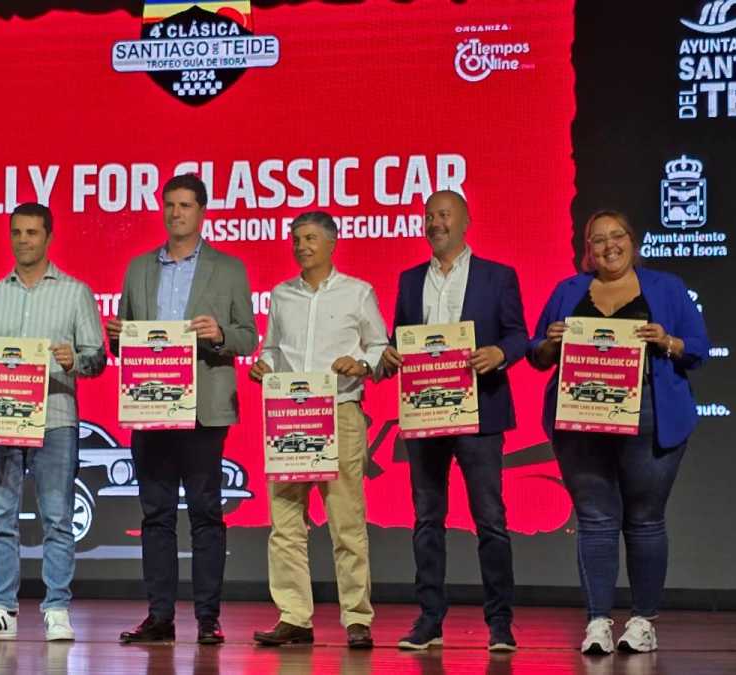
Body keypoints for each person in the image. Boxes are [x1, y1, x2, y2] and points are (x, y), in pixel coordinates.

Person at [527, 209, 709, 655]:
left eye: (617, 236)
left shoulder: (666, 287)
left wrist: (666, 341)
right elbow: (537, 353)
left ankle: (643, 622)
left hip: (650, 415)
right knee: (595, 520)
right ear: (587, 250)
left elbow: (698, 349)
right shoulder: (568, 290)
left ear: (633, 240)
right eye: (598, 239)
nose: (609, 246)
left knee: (645, 519)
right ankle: (598, 623)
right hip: (581, 416)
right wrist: (550, 342)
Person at [108, 174, 257, 645]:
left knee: (206, 514)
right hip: (150, 406)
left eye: (186, 205)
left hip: (203, 409)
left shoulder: (228, 268)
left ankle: (208, 618)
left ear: (202, 212)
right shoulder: (138, 268)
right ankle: (160, 617)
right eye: (170, 205)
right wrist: (118, 337)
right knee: (156, 516)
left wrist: (220, 334)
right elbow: (127, 339)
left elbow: (248, 337)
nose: (176, 213)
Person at [377, 190, 528, 652]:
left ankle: (500, 623)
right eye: (428, 216)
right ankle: (429, 620)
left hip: (481, 413)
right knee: (427, 520)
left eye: (444, 215)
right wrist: (389, 353)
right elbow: (399, 338)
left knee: (491, 521)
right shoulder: (409, 281)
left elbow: (519, 335)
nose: (435, 223)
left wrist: (500, 352)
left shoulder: (498, 276)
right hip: (426, 413)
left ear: (465, 222)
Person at [0, 202, 105, 642]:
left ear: (49, 237)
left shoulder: (75, 293)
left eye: (32, 232)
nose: (23, 240)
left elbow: (97, 359)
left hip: (55, 419)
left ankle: (56, 608)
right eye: (17, 232)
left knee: (57, 517)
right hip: (0, 420)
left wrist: (74, 360)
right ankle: (1, 608)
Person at [248, 211, 388, 649]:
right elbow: (272, 348)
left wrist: (362, 364)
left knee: (346, 520)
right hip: (290, 415)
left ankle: (357, 618)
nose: (301, 246)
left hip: (340, 410)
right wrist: (264, 365)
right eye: (296, 239)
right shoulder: (281, 294)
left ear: (331, 243)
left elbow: (381, 347)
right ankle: (294, 616)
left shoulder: (357, 292)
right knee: (285, 521)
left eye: (310, 238)